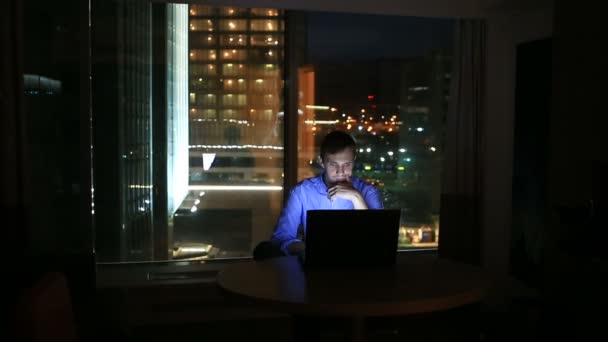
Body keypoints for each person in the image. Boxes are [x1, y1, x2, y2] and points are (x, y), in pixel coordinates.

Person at [268, 130, 383, 257]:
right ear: (322, 162)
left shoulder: (368, 192)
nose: (341, 172)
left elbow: (378, 241)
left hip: (360, 267)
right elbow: (281, 237)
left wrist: (356, 197)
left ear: (354, 161)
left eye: (347, 164)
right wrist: (311, 250)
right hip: (315, 266)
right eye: (334, 164)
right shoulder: (302, 192)